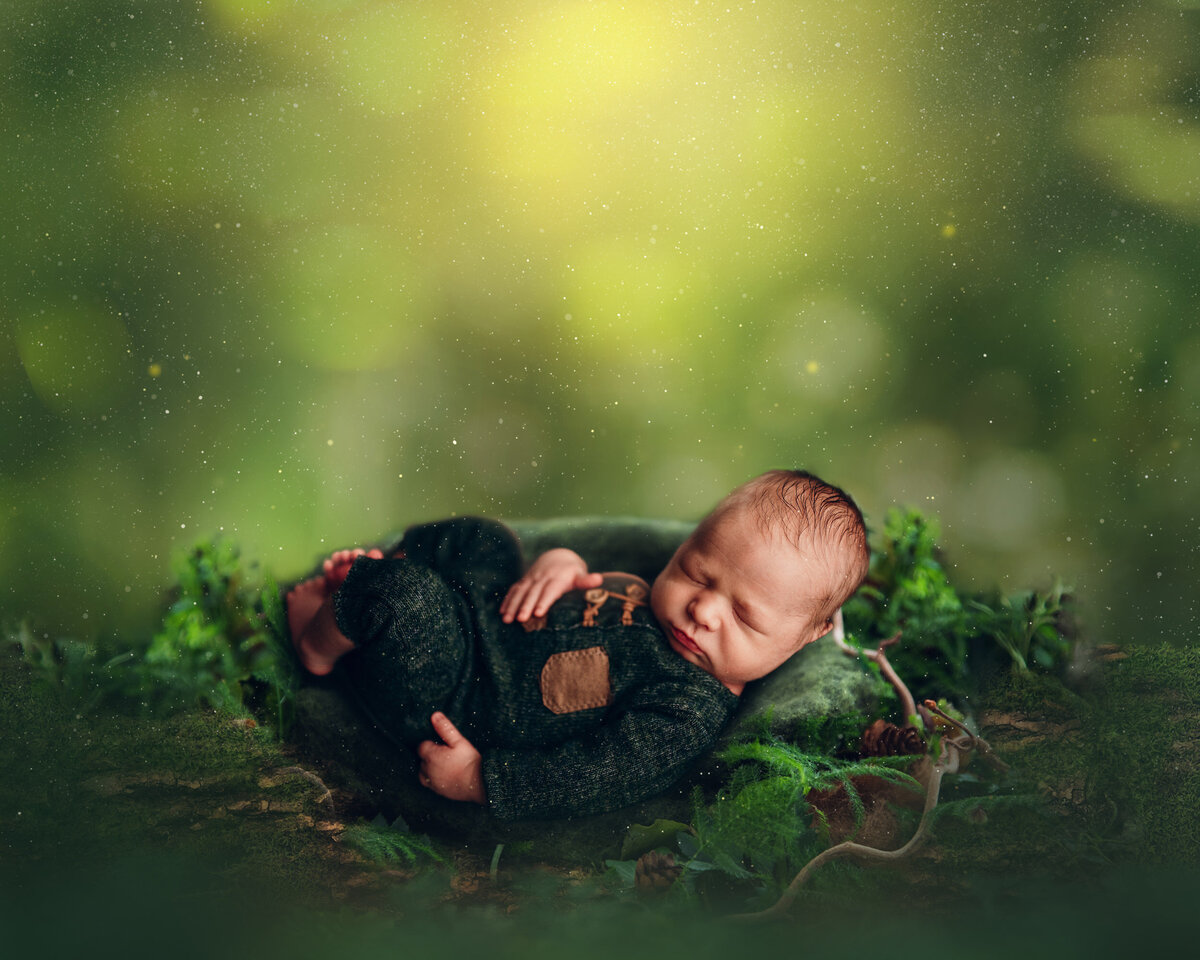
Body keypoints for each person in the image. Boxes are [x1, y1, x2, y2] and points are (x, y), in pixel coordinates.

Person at [285, 469, 869, 820]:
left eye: (744, 615)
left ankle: (321, 640)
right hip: (489, 614)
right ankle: (372, 589)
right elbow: (591, 586)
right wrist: (562, 565)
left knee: (403, 598)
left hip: (460, 697)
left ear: (804, 638)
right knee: (481, 538)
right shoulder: (653, 597)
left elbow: (595, 774)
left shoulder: (684, 708)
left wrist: (479, 780)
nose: (704, 609)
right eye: (695, 570)